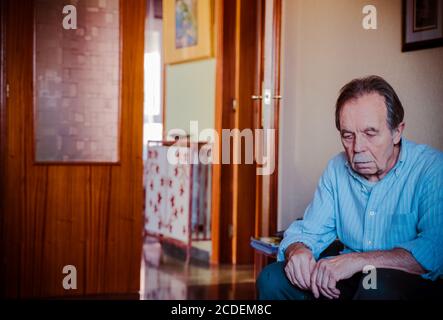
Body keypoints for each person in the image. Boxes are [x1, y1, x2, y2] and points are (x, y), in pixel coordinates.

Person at [257, 75, 443, 300]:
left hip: (401, 280)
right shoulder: (337, 167)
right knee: (272, 278)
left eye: (370, 133)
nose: (357, 148)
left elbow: (434, 249)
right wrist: (298, 250)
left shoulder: (431, 168)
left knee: (373, 284)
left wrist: (357, 261)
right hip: (347, 274)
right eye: (348, 136)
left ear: (397, 132)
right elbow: (308, 230)